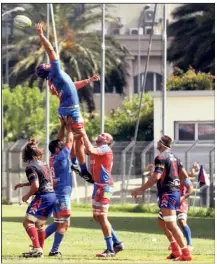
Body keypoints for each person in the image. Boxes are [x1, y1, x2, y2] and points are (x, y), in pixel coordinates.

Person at [35, 23, 99, 180]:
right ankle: (82, 165)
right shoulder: (55, 71)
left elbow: (71, 86)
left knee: (76, 138)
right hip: (71, 109)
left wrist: (87, 80)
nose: (49, 62)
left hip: (64, 109)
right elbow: (50, 50)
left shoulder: (52, 83)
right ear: (47, 69)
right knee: (81, 138)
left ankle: (76, 163)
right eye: (46, 64)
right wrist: (41, 35)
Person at [131, 135, 192, 261]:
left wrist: (140, 189)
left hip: (168, 193)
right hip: (173, 193)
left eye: (158, 142)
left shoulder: (161, 157)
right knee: (161, 221)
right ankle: (175, 250)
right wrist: (177, 185)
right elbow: (185, 176)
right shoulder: (175, 157)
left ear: (162, 144)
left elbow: (156, 177)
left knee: (171, 224)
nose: (156, 144)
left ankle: (185, 253)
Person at [76, 128, 124, 257]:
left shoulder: (105, 148)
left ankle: (110, 250)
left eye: (103, 135)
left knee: (102, 216)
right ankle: (117, 243)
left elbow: (90, 150)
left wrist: (84, 134)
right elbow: (81, 152)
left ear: (107, 141)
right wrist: (78, 139)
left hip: (105, 186)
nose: (100, 134)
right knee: (97, 217)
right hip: (98, 185)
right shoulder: (96, 149)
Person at [14, 139, 56, 258]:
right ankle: (40, 250)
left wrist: (27, 195)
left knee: (28, 221)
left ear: (26, 154)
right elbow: (43, 182)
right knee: (40, 224)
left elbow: (36, 185)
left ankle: (37, 249)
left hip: (43, 196)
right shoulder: (44, 164)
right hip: (51, 195)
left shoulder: (30, 167)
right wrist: (24, 184)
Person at [43, 117, 74, 257]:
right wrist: (70, 127)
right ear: (57, 149)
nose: (63, 145)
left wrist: (62, 126)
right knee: (64, 224)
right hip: (62, 195)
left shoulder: (52, 157)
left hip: (57, 193)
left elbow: (59, 140)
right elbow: (70, 141)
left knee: (57, 223)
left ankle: (38, 241)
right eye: (60, 145)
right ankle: (54, 251)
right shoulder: (61, 157)